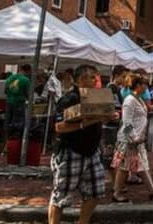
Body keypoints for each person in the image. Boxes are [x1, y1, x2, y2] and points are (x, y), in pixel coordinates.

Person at [49, 65, 115, 224]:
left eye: (96, 77)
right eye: (92, 77)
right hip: (71, 151)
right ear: (81, 80)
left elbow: (100, 119)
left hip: (92, 152)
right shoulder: (69, 99)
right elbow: (59, 127)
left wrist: (109, 117)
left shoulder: (96, 97)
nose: (95, 80)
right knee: (61, 195)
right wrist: (85, 123)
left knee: (95, 192)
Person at [111, 76, 153, 203]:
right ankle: (117, 193)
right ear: (138, 85)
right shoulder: (130, 101)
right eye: (144, 84)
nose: (146, 87)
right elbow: (126, 122)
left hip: (137, 139)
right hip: (128, 140)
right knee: (126, 167)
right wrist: (133, 138)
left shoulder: (139, 99)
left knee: (141, 166)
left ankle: (152, 191)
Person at [4, 64, 32, 138]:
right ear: (27, 71)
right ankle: (15, 141)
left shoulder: (9, 78)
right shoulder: (25, 80)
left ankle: (7, 140)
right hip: (19, 104)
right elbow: (28, 95)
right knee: (17, 124)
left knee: (8, 122)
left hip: (8, 103)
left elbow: (5, 91)